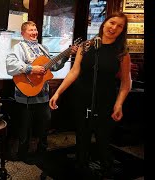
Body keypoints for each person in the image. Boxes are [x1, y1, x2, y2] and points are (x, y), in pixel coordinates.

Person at [49, 12, 132, 178]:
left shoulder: (122, 52)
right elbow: (74, 71)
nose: (114, 27)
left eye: (119, 26)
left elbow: (126, 82)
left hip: (106, 99)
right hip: (81, 97)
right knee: (82, 134)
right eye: (112, 22)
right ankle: (81, 165)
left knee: (103, 136)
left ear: (122, 30)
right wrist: (58, 92)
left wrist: (119, 103)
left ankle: (106, 167)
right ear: (104, 23)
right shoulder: (86, 46)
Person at [6, 21, 78, 163]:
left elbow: (54, 66)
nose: (34, 32)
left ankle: (42, 151)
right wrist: (31, 69)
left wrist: (66, 54)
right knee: (25, 129)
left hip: (43, 96)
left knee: (45, 125)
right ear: (23, 33)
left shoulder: (43, 48)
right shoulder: (18, 48)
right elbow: (11, 65)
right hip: (25, 97)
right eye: (31, 30)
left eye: (36, 29)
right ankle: (22, 154)